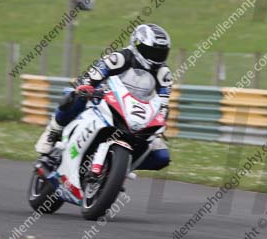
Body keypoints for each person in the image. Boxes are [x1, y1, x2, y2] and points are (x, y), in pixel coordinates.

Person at [34, 23, 174, 171]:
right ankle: (53, 132)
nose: (156, 57)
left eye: (161, 53)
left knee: (161, 157)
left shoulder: (164, 74)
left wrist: (159, 124)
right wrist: (87, 88)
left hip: (137, 113)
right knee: (74, 95)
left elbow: (163, 104)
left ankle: (118, 168)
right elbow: (92, 76)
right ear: (137, 45)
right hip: (105, 100)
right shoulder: (119, 58)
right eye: (151, 51)